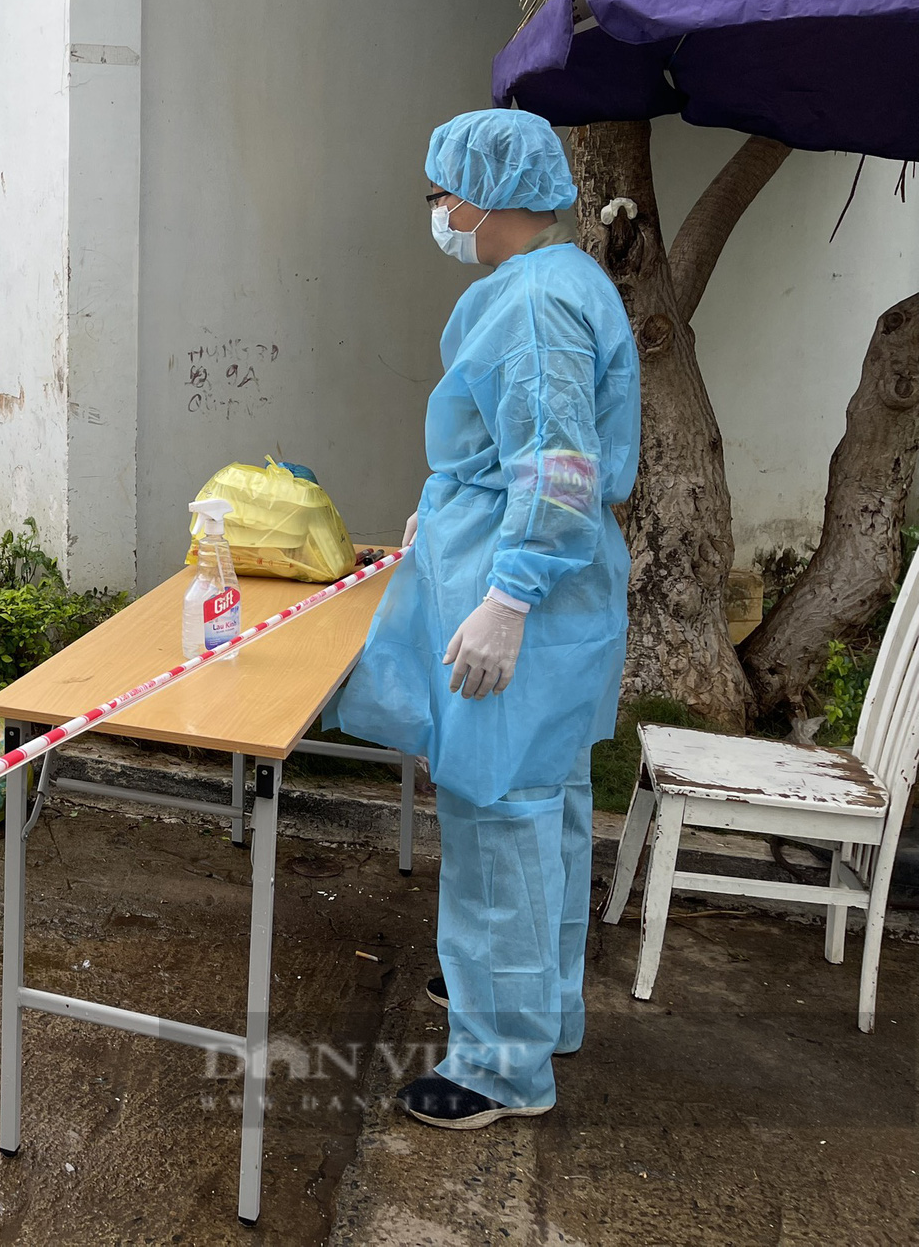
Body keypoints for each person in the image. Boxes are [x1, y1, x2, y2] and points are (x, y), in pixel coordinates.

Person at [338, 109, 639, 1130]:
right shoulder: (559, 282)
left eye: (439, 191)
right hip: (555, 589)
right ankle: (536, 1011)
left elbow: (554, 468)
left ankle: (498, 1067)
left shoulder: (529, 305)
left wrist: (505, 596)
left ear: (489, 192)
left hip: (529, 597)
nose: (434, 208)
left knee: (495, 823)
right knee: (543, 812)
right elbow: (519, 445)